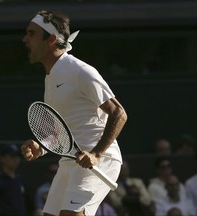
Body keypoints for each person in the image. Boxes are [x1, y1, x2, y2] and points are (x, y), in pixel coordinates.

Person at [21, 10, 128, 216]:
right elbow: (60, 132)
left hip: (100, 160)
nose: (25, 39)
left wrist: (96, 153)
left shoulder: (80, 71)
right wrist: (40, 147)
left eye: (31, 34)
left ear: (51, 39)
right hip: (70, 162)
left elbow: (119, 113)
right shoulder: (51, 79)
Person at [0, 144, 34, 216]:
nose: (16, 159)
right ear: (3, 158)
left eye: (17, 156)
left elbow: (31, 207)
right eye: (12, 156)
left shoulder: (21, 182)